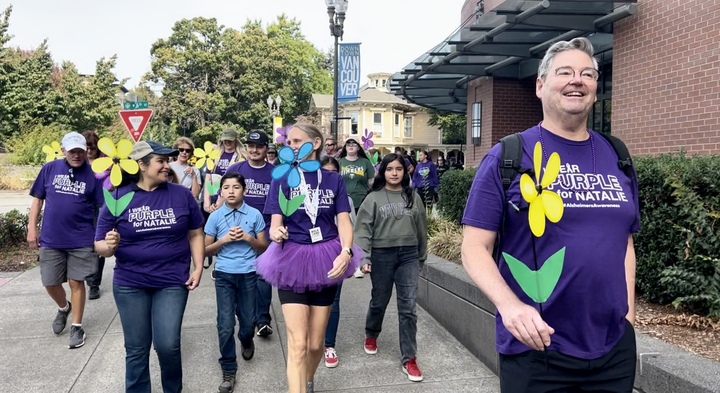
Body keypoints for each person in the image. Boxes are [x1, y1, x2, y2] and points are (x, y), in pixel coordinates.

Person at [460, 37, 639, 393]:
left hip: (612, 348)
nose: (578, 80)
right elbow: (473, 247)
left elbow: (625, 241)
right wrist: (509, 307)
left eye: (588, 74)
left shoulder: (616, 154)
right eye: (566, 72)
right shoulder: (509, 155)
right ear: (540, 85)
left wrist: (629, 317)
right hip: (536, 348)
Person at [256, 123, 362, 393]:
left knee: (315, 345)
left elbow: (344, 222)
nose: (290, 146)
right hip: (291, 259)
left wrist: (346, 251)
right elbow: (274, 221)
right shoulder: (281, 179)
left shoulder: (333, 180)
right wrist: (276, 231)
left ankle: (308, 379)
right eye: (288, 141)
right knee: (298, 344)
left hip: (326, 258)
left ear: (315, 144)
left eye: (297, 140)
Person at [94, 141, 205, 393]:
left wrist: (198, 267)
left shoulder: (180, 194)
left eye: (168, 161)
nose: (168, 166)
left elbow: (196, 233)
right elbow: (99, 246)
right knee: (136, 348)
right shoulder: (118, 197)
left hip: (171, 281)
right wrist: (109, 245)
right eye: (161, 161)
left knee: (168, 345)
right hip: (130, 283)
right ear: (142, 166)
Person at [354, 153, 428, 382]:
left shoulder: (413, 197)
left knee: (408, 308)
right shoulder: (373, 198)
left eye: (399, 169)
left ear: (405, 172)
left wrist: (421, 257)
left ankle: (409, 358)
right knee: (379, 300)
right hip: (382, 256)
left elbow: (421, 228)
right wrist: (364, 258)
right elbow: (362, 231)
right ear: (382, 172)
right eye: (389, 169)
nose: (394, 173)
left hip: (408, 256)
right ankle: (371, 333)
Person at [27, 131, 103, 349]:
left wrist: (101, 235)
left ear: (86, 151)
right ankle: (63, 307)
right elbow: (37, 201)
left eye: (80, 151)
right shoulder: (49, 169)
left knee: (76, 282)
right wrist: (32, 229)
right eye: (72, 151)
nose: (77, 155)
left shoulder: (93, 174)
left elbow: (102, 207)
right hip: (51, 239)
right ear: (63, 151)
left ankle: (77, 326)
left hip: (81, 239)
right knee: (50, 282)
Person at [204, 172, 268, 393]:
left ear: (244, 190)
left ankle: (246, 338)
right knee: (225, 324)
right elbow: (204, 249)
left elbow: (264, 247)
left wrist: (248, 238)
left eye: (236, 187)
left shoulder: (254, 214)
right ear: (220, 191)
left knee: (248, 321)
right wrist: (224, 240)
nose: (231, 191)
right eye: (226, 187)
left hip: (249, 273)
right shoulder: (215, 217)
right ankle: (229, 369)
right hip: (223, 274)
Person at [225, 130, 276, 338]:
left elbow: (281, 203)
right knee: (240, 277)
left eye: (259, 146)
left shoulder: (276, 172)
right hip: (237, 232)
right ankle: (245, 315)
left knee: (263, 277)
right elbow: (226, 197)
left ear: (266, 149)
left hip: (265, 232)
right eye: (251, 146)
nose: (254, 150)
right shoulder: (236, 169)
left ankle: (263, 320)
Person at [319, 156, 357, 369]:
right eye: (325, 171)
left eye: (334, 171)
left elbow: (349, 227)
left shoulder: (345, 197)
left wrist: (348, 253)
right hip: (309, 253)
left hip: (336, 252)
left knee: (333, 300)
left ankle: (329, 344)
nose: (329, 175)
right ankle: (310, 340)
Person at [83, 130, 106, 300]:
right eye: (87, 147)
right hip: (81, 207)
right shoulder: (77, 164)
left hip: (100, 206)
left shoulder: (104, 163)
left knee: (98, 245)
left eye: (93, 148)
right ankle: (85, 277)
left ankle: (94, 284)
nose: (90, 151)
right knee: (83, 244)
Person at [204, 128, 246, 214]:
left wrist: (220, 203)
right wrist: (206, 202)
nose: (227, 142)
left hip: (232, 199)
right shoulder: (214, 155)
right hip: (213, 196)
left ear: (235, 140)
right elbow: (208, 178)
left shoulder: (242, 157)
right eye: (225, 140)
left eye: (230, 140)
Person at [338, 138, 375, 213]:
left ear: (358, 148)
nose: (351, 146)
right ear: (345, 147)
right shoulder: (340, 162)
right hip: (343, 200)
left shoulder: (366, 162)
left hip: (362, 200)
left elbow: (372, 182)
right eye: (348, 144)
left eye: (354, 144)